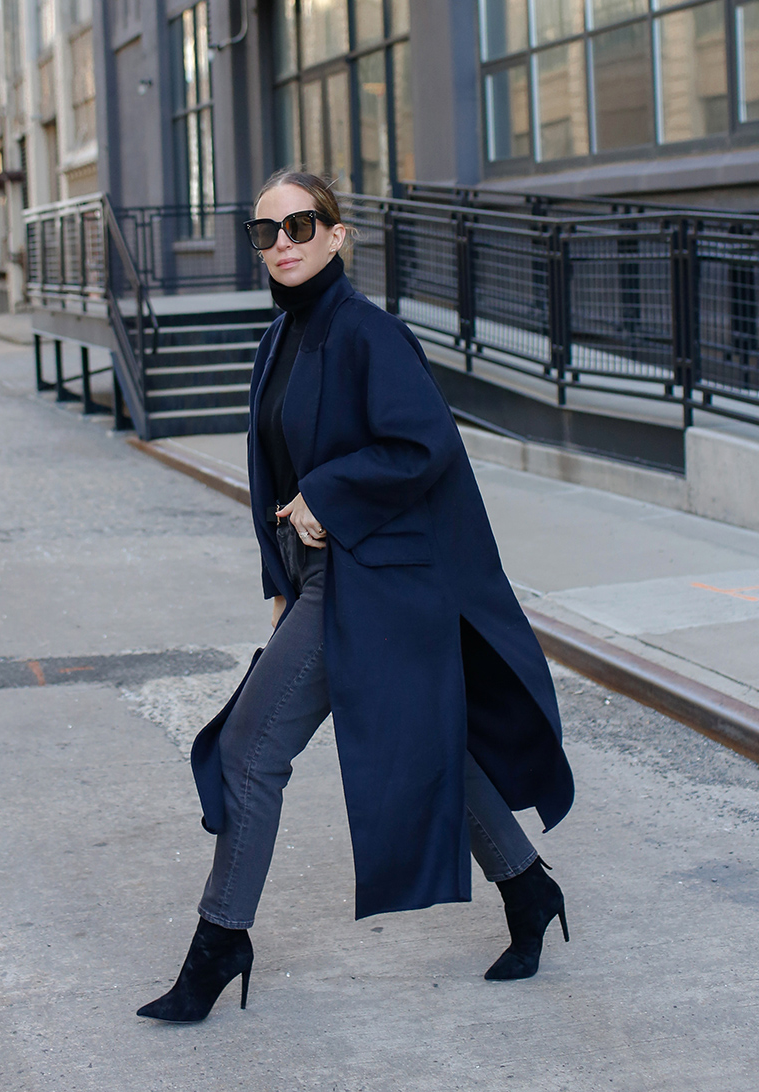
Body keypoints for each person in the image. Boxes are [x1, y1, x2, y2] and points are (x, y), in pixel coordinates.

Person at [137, 171, 574, 1024]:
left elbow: (424, 446)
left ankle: (220, 943)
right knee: (428, 740)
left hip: (376, 581)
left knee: (250, 751)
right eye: (266, 231)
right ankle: (528, 888)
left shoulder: (369, 332)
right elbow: (275, 472)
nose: (285, 242)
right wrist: (278, 581)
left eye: (302, 224)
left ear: (338, 235)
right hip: (322, 581)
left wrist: (328, 497)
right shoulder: (281, 338)